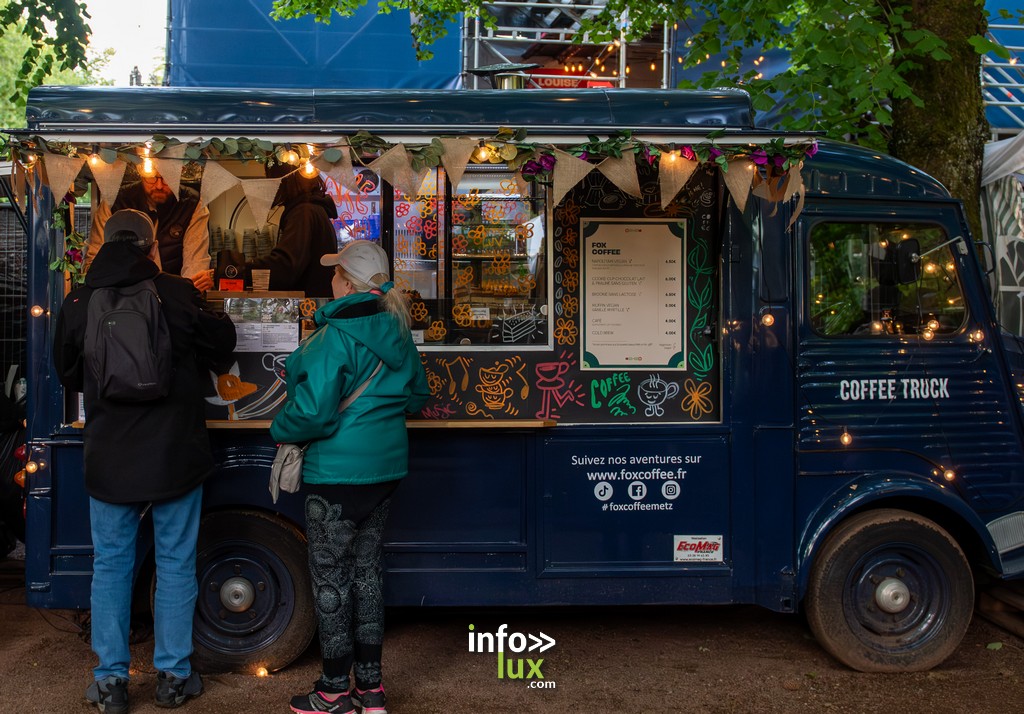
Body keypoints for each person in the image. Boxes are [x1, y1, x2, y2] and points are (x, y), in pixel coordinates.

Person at [53, 209, 237, 713]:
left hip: (110, 458)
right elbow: (222, 348)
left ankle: (111, 681)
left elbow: (67, 372)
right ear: (153, 247)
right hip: (175, 455)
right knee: (175, 563)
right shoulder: (177, 293)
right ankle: (173, 677)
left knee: (111, 565)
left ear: (104, 245)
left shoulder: (78, 301)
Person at [269, 240, 429, 714]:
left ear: (346, 283)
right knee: (367, 574)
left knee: (331, 579)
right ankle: (372, 690)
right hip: (385, 471)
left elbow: (312, 414)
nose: (331, 279)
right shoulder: (398, 330)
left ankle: (334, 690)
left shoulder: (333, 337)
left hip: (336, 474)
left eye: (335, 272)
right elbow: (416, 397)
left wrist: (279, 428)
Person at [86, 166, 215, 292]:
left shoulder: (192, 204)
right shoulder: (113, 202)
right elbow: (95, 264)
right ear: (140, 170)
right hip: (122, 298)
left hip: (174, 297)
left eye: (167, 177)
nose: (159, 185)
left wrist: (185, 291)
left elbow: (194, 270)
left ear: (179, 172)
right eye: (151, 177)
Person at [246, 164, 338, 297]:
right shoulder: (314, 209)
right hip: (316, 304)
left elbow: (284, 268)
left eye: (271, 178)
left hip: (306, 305)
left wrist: (239, 270)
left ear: (284, 179)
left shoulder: (303, 212)